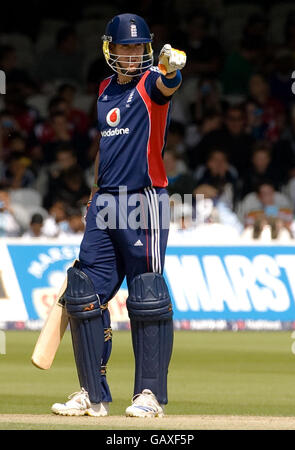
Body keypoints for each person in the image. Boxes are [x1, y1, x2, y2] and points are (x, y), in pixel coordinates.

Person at [51, 13, 186, 419]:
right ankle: (92, 394)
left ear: (147, 50)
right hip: (104, 203)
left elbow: (166, 85)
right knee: (83, 292)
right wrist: (93, 195)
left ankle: (149, 395)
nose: (131, 55)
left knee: (147, 294)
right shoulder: (105, 89)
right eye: (124, 47)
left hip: (144, 200)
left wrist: (171, 70)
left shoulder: (150, 83)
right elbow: (104, 152)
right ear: (110, 50)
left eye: (137, 47)